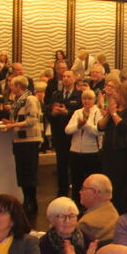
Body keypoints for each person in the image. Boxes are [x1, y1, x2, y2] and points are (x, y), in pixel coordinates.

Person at [100, 80, 127, 210]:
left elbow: (124, 127)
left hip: (123, 155)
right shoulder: (114, 110)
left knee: (121, 185)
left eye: (118, 94)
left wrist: (114, 114)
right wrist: (109, 113)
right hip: (109, 153)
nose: (115, 96)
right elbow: (100, 126)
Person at [2, 76, 42, 217]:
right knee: (22, 172)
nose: (10, 87)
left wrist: (12, 125)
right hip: (19, 140)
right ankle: (26, 199)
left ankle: (32, 200)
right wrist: (11, 122)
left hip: (30, 140)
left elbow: (31, 120)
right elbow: (19, 119)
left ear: (19, 86)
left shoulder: (30, 99)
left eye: (12, 85)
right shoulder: (17, 101)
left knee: (29, 171)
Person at [45, 69, 82, 198]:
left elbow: (81, 113)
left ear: (74, 79)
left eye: (68, 76)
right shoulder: (56, 95)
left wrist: (68, 113)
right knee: (61, 164)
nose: (66, 78)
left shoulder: (79, 95)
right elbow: (48, 113)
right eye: (64, 76)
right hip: (59, 134)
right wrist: (53, 113)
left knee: (74, 165)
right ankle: (62, 191)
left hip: (74, 135)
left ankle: (77, 193)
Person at [64, 89, 103, 203]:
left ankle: (93, 203)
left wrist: (85, 125)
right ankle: (77, 203)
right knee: (76, 181)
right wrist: (78, 126)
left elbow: (98, 131)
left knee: (92, 181)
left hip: (92, 152)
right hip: (75, 151)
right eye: (84, 98)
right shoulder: (77, 112)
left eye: (89, 98)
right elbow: (67, 130)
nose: (86, 101)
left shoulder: (98, 112)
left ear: (94, 100)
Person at [78, 173, 119, 243]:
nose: (80, 192)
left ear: (94, 192)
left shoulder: (85, 223)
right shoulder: (115, 214)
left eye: (83, 189)